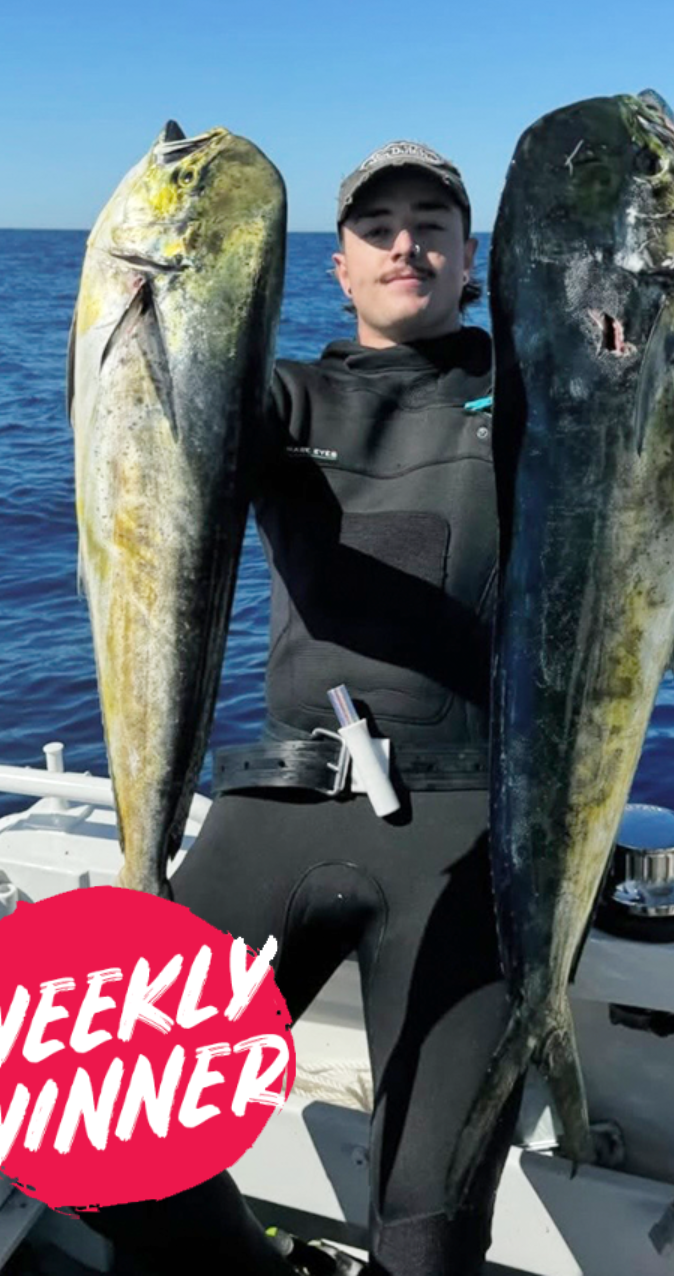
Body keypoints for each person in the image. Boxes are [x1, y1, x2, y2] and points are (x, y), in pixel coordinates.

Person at [82, 142, 518, 1276]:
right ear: (338, 265)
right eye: (378, 227)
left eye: (432, 223)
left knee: (427, 1234)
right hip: (282, 795)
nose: (406, 244)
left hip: (472, 824)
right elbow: (151, 434)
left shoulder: (538, 399)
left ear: (471, 256)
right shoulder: (277, 397)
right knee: (100, 1141)